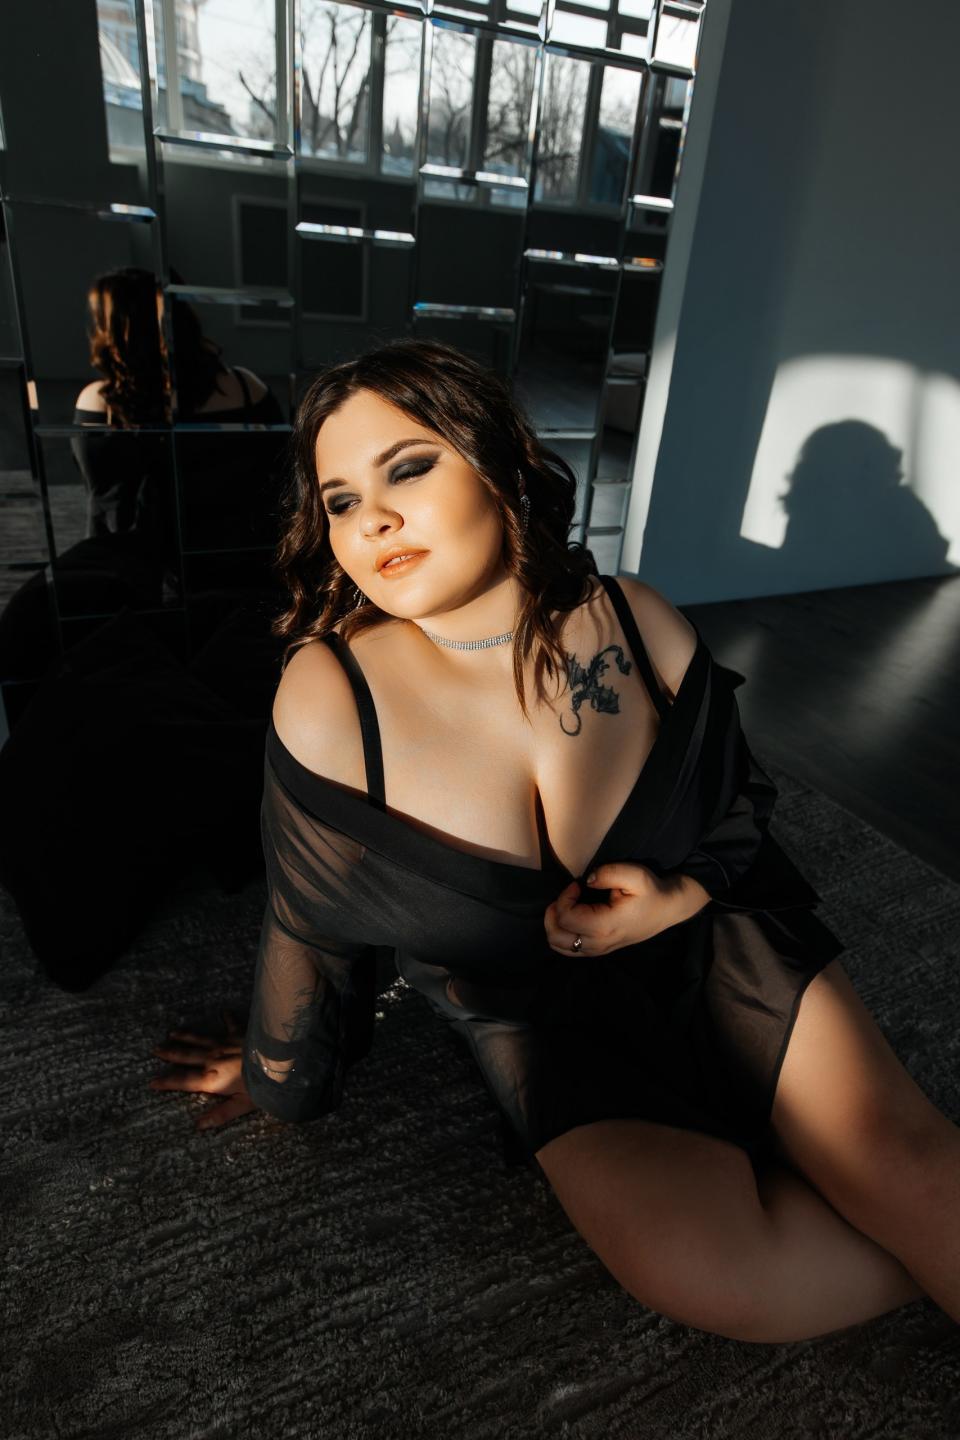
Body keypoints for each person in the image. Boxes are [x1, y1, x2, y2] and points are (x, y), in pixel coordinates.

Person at [149, 338, 960, 1345]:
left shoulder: (635, 620)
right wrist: (281, 1077)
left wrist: (685, 894)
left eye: (409, 468)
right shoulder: (333, 695)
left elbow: (739, 800)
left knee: (904, 1165)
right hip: (539, 1021)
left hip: (722, 947)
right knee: (727, 1277)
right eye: (341, 500)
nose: (373, 520)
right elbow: (312, 922)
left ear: (501, 468)